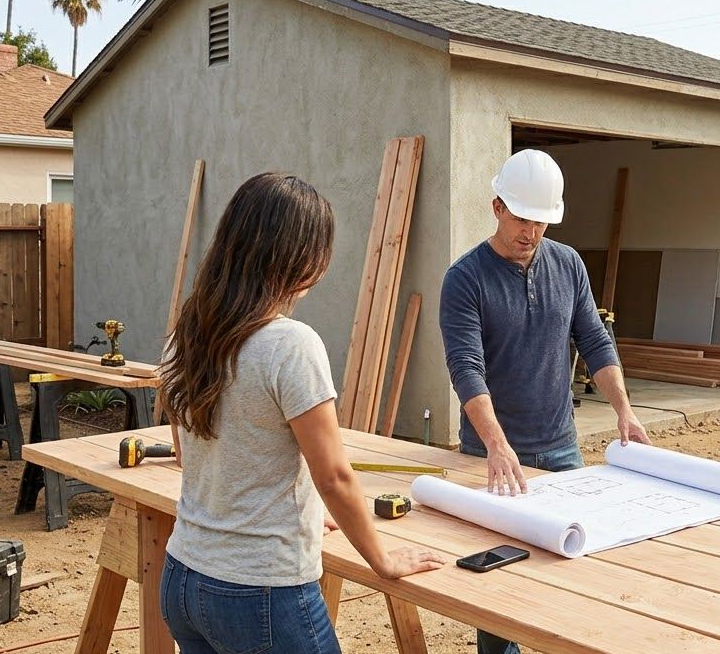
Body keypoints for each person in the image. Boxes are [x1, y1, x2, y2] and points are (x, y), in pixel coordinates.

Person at [158, 173, 445, 654]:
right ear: (301, 260)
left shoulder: (186, 334)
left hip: (184, 576)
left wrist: (303, 511)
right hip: (261, 591)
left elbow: (196, 455)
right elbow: (333, 475)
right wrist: (384, 560)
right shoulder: (290, 344)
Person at [440, 149, 651, 654]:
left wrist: (624, 409)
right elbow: (467, 370)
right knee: (499, 582)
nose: (530, 233)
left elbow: (596, 341)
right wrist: (496, 443)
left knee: (573, 566)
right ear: (496, 207)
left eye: (541, 222)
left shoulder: (568, 265)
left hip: (561, 451)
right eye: (521, 218)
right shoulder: (465, 279)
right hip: (493, 457)